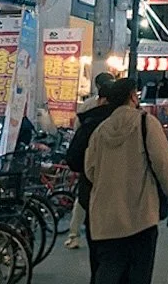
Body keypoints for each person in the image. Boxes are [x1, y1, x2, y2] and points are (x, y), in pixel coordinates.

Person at [85, 77, 168, 284]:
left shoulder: (100, 131)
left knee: (109, 270)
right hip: (140, 215)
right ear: (133, 96)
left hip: (106, 216)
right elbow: (163, 163)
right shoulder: (146, 123)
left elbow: (89, 170)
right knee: (139, 274)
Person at [65, 71, 117, 253]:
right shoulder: (116, 109)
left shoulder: (88, 106)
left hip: (88, 158)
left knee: (83, 197)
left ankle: (74, 234)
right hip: (108, 160)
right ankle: (98, 233)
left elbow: (78, 130)